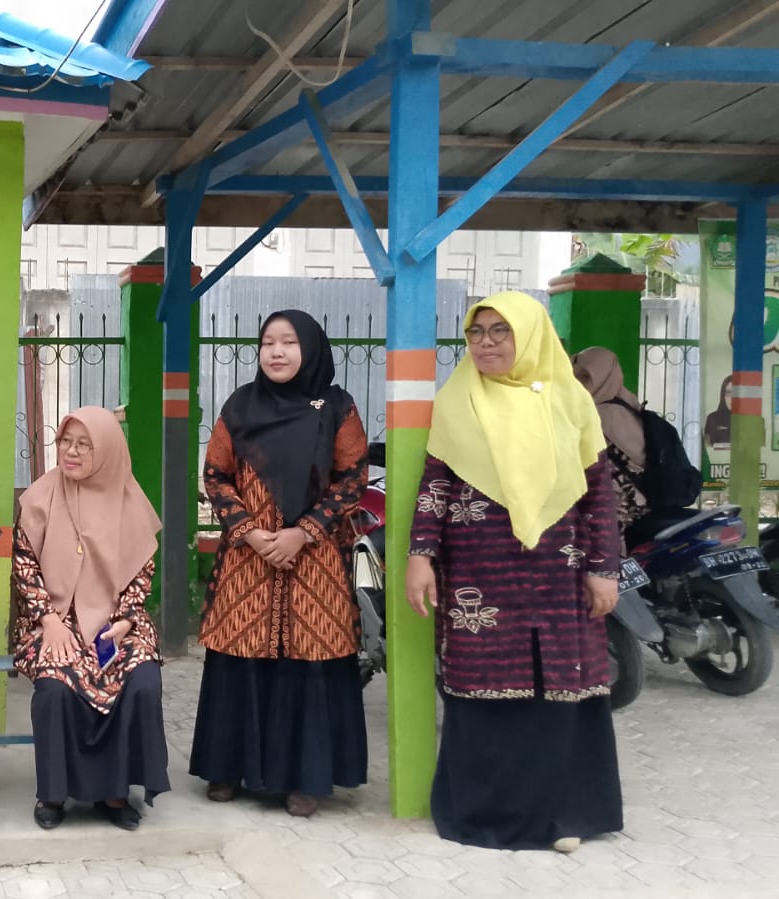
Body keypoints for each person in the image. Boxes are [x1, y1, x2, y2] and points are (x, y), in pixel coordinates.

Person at [406, 291, 622, 853]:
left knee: (559, 692)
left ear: (529, 336)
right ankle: (485, 817)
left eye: (501, 331)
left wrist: (604, 567)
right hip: (480, 575)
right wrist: (420, 556)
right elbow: (435, 486)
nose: (486, 343)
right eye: (477, 332)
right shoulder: (457, 399)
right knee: (483, 690)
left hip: (561, 574)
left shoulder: (571, 401)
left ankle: (562, 818)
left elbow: (599, 495)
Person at [189, 310, 369, 818]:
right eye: (268, 342)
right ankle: (228, 769)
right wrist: (248, 530)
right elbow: (216, 475)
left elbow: (352, 479)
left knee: (309, 659)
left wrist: (303, 532)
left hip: (313, 560)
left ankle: (304, 778)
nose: (276, 352)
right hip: (249, 559)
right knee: (239, 655)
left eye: (288, 342)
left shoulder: (336, 408)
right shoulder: (241, 405)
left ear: (309, 349)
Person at [13, 406, 168, 832]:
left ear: (108, 451)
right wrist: (49, 621)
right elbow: (25, 568)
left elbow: (141, 576)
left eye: (85, 445)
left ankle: (114, 792)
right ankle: (53, 793)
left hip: (116, 623)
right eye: (66, 442)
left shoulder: (130, 502)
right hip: (54, 619)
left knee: (140, 679)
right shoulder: (40, 498)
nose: (72, 452)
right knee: (55, 684)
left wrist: (123, 623)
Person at [572, 347, 650, 541]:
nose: (578, 383)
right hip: (640, 504)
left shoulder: (600, 415)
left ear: (605, 376)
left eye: (585, 377)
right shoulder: (628, 403)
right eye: (575, 376)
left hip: (617, 511)